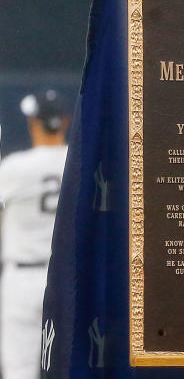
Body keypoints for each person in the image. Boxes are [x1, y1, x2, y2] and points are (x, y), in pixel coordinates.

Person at [0, 90, 69, 379]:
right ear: (65, 122)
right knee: (70, 365)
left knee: (19, 369)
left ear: (32, 123)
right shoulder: (77, 163)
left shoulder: (14, 168)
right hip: (67, 278)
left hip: (23, 276)